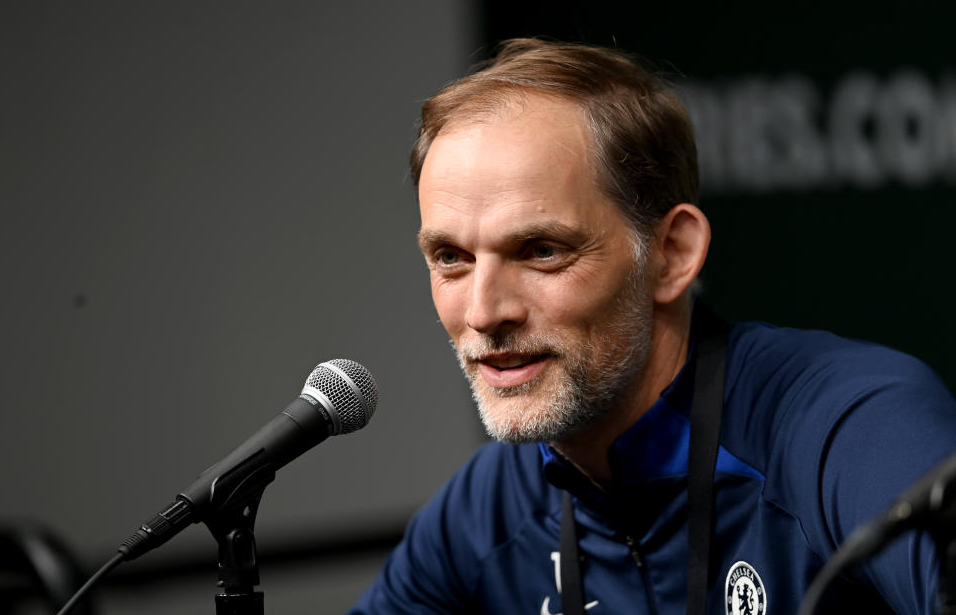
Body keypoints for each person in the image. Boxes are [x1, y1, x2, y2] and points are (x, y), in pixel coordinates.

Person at [350, 38, 956, 614]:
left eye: (541, 250)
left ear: (671, 254)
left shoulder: (847, 426)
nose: (483, 313)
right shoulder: (486, 510)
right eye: (451, 258)